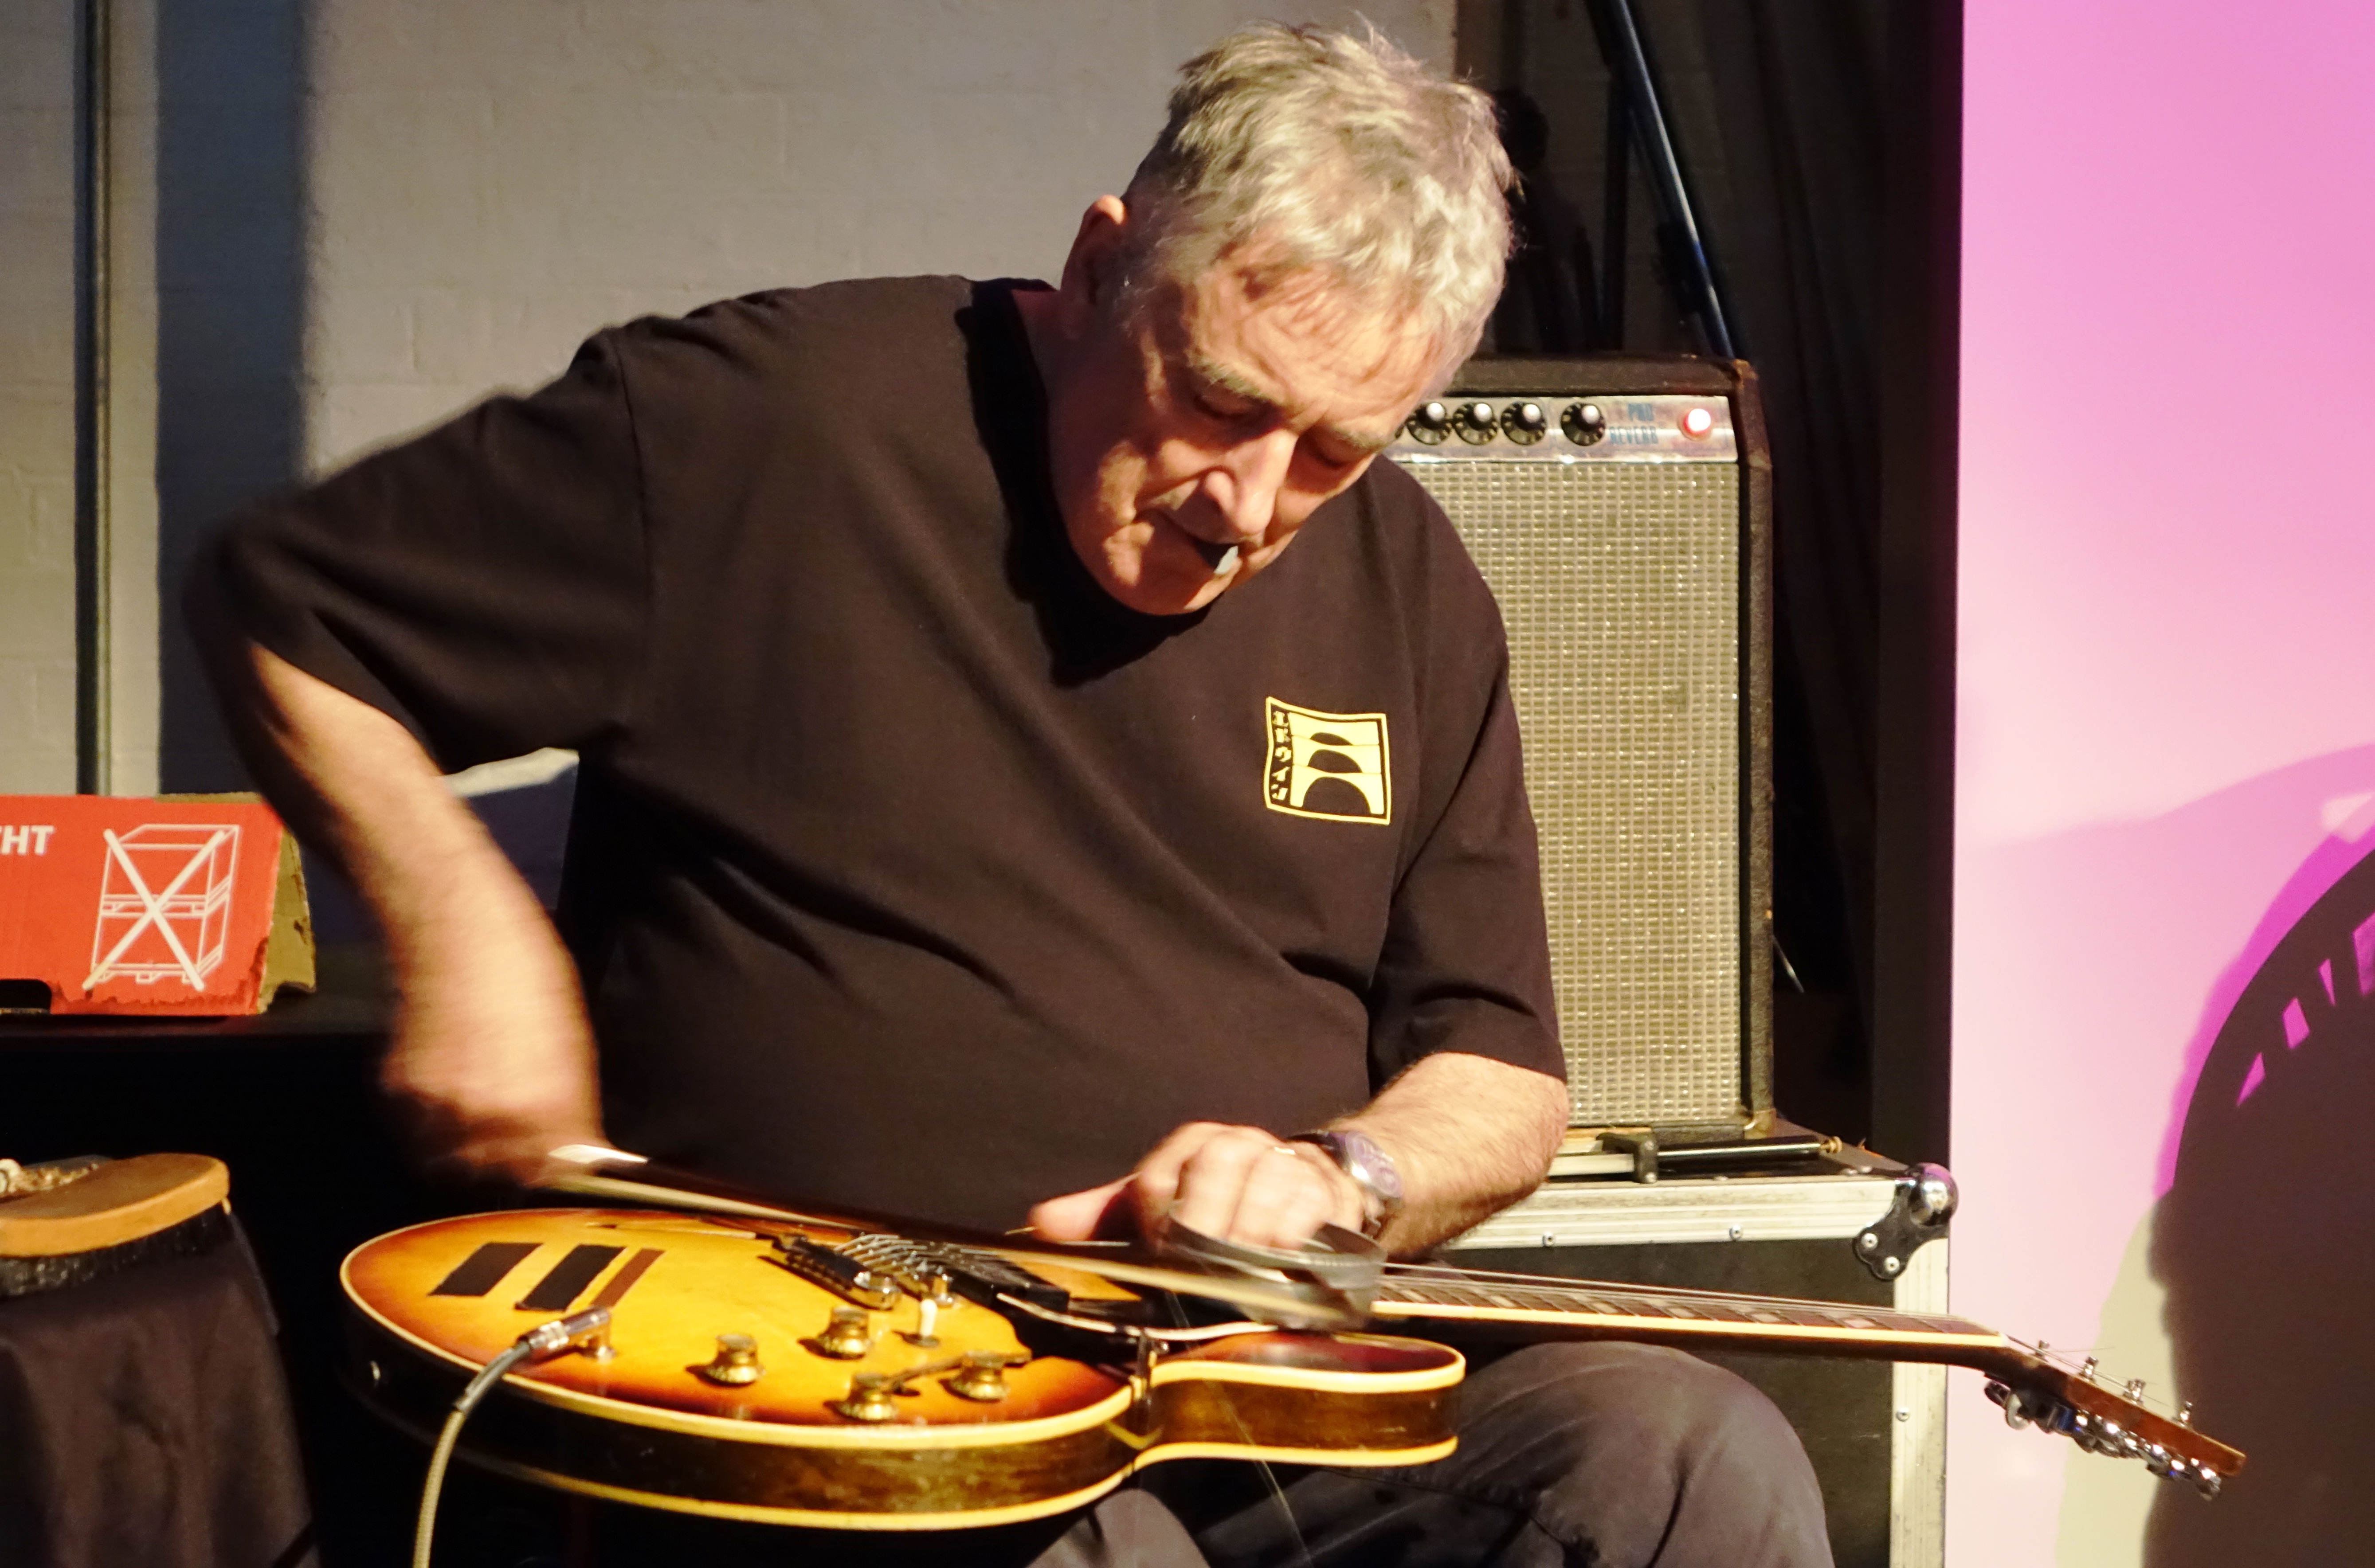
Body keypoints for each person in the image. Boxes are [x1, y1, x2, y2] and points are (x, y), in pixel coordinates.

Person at [195, 23, 1830, 1567]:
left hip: (1232, 1379)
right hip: (808, 1371)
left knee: (1683, 1453)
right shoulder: (759, 426)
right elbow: (286, 599)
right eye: (1222, 399)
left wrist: (1349, 1175)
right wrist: (468, 931)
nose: (1248, 505)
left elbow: (1497, 1071)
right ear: (1102, 262)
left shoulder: (1412, 584)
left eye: (1333, 450)